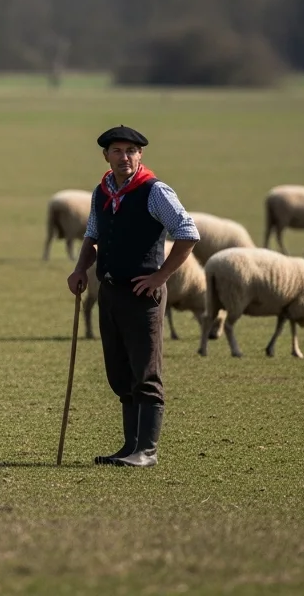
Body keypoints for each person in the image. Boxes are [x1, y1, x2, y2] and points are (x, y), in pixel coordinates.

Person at [67, 125, 198, 467]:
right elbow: (92, 235)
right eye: (117, 151)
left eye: (130, 151)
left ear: (140, 155)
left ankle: (147, 451)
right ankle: (129, 448)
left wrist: (161, 275)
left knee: (146, 372)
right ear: (106, 156)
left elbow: (187, 232)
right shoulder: (102, 191)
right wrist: (81, 270)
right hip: (110, 293)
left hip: (142, 297)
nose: (124, 157)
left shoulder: (155, 192)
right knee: (120, 372)